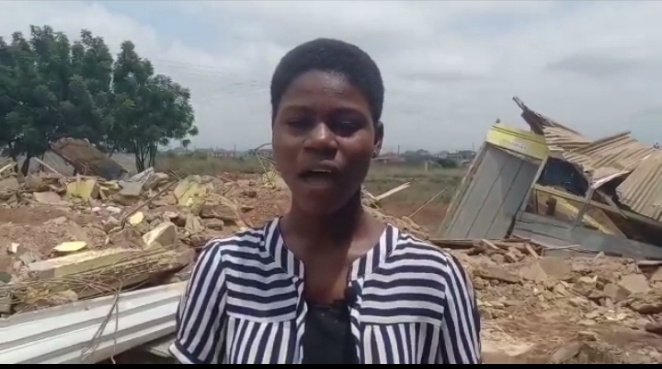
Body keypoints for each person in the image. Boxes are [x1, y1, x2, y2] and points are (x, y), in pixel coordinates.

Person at [169, 38, 481, 364]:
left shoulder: (434, 279)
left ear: (377, 139)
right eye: (298, 123)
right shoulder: (226, 268)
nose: (320, 140)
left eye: (345, 125)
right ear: (273, 133)